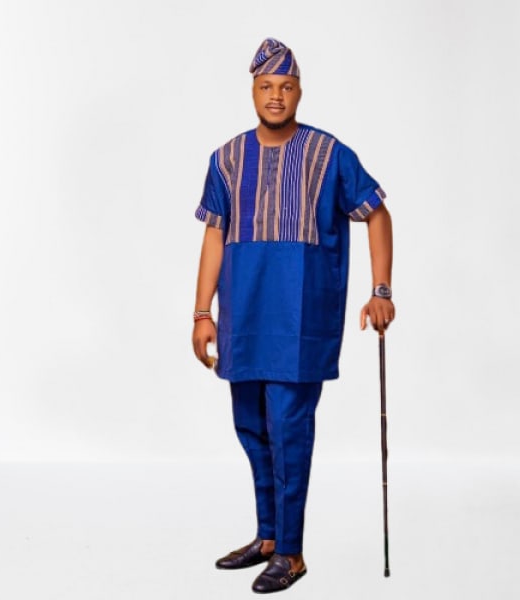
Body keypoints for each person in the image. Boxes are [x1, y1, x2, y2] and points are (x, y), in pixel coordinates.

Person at [191, 37, 394, 594]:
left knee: (288, 430)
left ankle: (293, 552)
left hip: (301, 319)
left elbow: (377, 213)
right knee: (251, 428)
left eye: (285, 87)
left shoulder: (329, 154)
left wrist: (381, 289)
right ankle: (268, 538)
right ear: (252, 91)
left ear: (299, 92)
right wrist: (202, 313)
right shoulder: (226, 159)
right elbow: (214, 236)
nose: (275, 96)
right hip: (243, 316)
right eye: (266, 87)